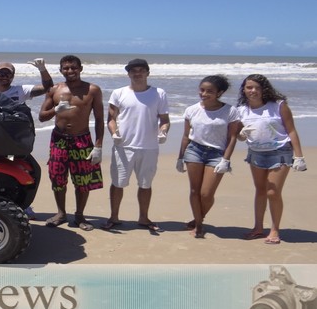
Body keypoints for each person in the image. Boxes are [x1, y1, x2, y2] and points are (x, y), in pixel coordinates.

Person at [237, 74, 307, 244]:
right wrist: (241, 135)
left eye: (257, 87)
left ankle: (275, 230)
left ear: (264, 89)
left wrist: (299, 156)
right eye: (249, 87)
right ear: (244, 89)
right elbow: (240, 136)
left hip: (280, 151)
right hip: (256, 152)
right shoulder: (241, 110)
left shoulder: (278, 106)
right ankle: (258, 227)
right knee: (260, 190)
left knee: (272, 191)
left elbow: (291, 130)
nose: (253, 91)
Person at [38, 55, 104, 231]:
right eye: (66, 68)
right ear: (61, 70)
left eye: (73, 68)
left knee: (82, 181)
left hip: (82, 139)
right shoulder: (55, 90)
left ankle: (80, 216)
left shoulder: (92, 90)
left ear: (80, 69)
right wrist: (55, 109)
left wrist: (98, 145)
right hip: (59, 140)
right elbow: (42, 117)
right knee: (57, 179)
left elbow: (99, 119)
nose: (70, 71)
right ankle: (61, 213)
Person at [104, 58, 170, 232]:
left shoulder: (159, 93)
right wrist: (114, 133)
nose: (137, 73)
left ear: (148, 73)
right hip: (123, 147)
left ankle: (143, 217)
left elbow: (164, 120)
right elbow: (111, 119)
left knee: (145, 184)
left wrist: (163, 132)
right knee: (118, 183)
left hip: (149, 148)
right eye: (133, 71)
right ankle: (114, 217)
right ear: (128, 74)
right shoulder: (118, 93)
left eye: (141, 70)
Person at [176, 75, 239, 238]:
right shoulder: (192, 110)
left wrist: (226, 159)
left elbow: (232, 137)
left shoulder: (230, 111)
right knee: (194, 190)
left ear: (220, 92)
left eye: (209, 91)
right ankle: (198, 225)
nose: (204, 94)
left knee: (206, 194)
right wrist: (180, 157)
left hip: (217, 153)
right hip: (194, 150)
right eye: (202, 90)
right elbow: (185, 136)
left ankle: (199, 218)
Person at [0, 58, 54, 220]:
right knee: (0, 176)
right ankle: (1, 205)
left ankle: (24, 205)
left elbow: (49, 88)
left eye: (9, 73)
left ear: (13, 76)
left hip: (16, 144)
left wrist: (42, 69)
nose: (5, 75)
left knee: (32, 172)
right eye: (2, 72)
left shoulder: (21, 90)